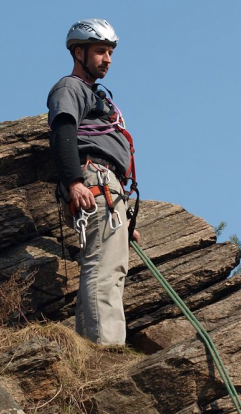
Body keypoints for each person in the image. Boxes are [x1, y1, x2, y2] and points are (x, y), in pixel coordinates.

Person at [47, 19, 139, 347]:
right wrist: (74, 181)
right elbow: (63, 133)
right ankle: (106, 350)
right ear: (78, 52)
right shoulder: (69, 88)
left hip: (107, 185)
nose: (108, 59)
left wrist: (126, 215)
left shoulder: (94, 95)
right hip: (94, 179)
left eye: (110, 52)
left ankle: (92, 347)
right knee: (104, 266)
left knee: (107, 264)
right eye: (101, 51)